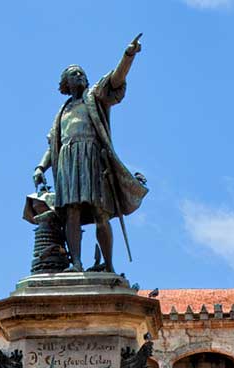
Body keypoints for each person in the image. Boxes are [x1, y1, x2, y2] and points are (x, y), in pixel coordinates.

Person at [32, 36, 148, 272]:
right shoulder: (63, 112)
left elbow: (115, 79)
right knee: (71, 212)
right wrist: (40, 167)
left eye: (82, 73)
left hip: (92, 157)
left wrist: (128, 56)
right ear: (66, 83)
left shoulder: (94, 97)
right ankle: (76, 263)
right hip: (66, 159)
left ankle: (109, 265)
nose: (81, 76)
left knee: (100, 211)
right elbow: (52, 144)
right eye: (75, 74)